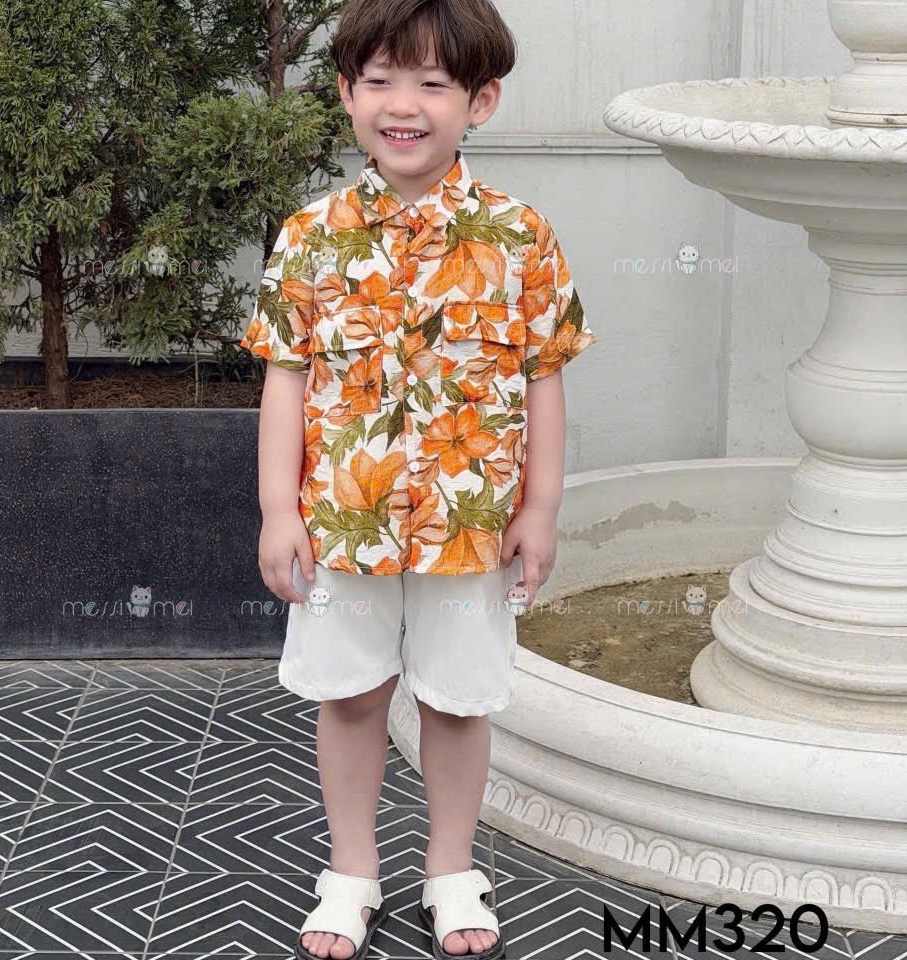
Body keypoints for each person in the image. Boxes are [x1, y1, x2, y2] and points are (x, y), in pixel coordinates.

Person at [240, 1, 597, 958]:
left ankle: (451, 870)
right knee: (351, 695)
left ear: (480, 101)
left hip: (470, 524)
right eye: (381, 81)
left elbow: (544, 376)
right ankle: (351, 871)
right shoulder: (310, 235)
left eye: (433, 84)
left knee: (457, 699)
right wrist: (277, 509)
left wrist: (541, 508)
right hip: (342, 519)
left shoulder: (520, 236)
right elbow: (285, 378)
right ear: (347, 93)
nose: (404, 105)